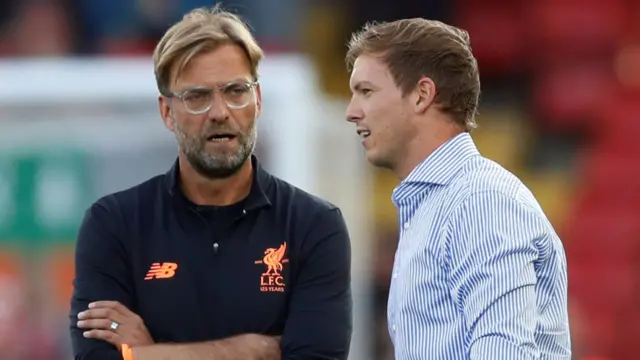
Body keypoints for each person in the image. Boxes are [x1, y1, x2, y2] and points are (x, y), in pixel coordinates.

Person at [69, 5, 353, 360]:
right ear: (166, 112)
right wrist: (250, 351)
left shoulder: (313, 225)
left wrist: (145, 353)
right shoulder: (113, 224)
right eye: (198, 97)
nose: (220, 112)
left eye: (236, 91)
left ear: (258, 99)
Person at [345, 18, 571, 359]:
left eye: (366, 91)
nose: (351, 112)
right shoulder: (435, 205)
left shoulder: (481, 202)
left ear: (422, 95)